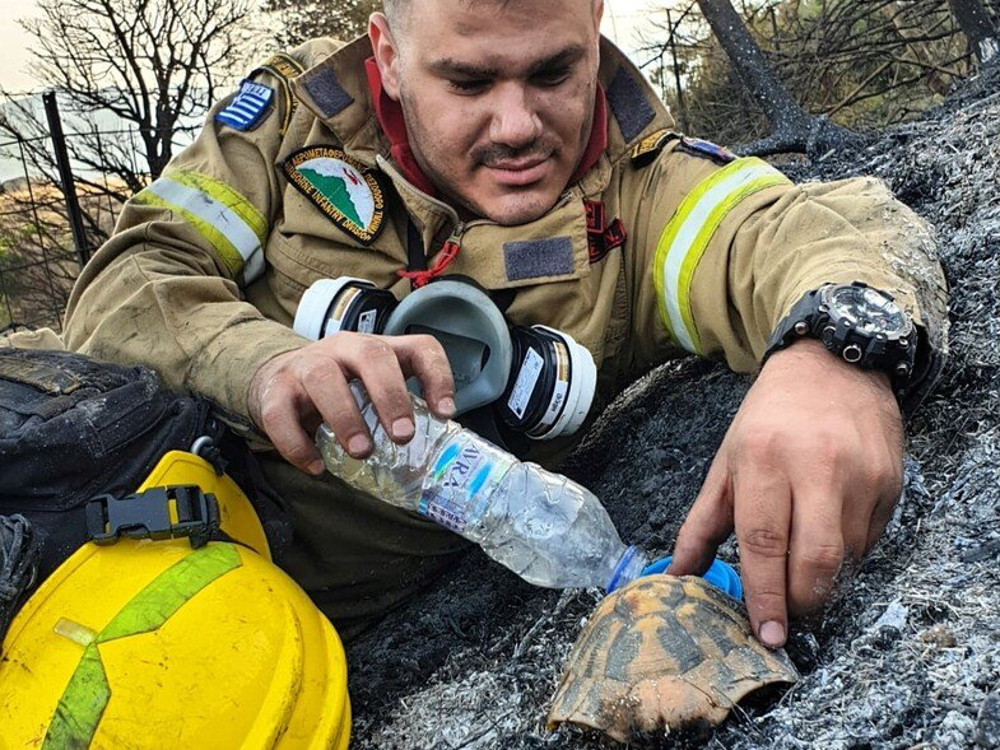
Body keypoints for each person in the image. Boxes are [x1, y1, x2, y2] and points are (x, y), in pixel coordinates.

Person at [60, 0, 948, 647]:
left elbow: (809, 231)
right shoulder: (289, 124)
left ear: (595, 34)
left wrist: (839, 353)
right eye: (469, 81)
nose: (518, 125)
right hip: (106, 503)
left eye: (556, 72)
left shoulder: (641, 195)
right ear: (390, 54)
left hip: (288, 626)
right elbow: (126, 280)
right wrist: (263, 364)